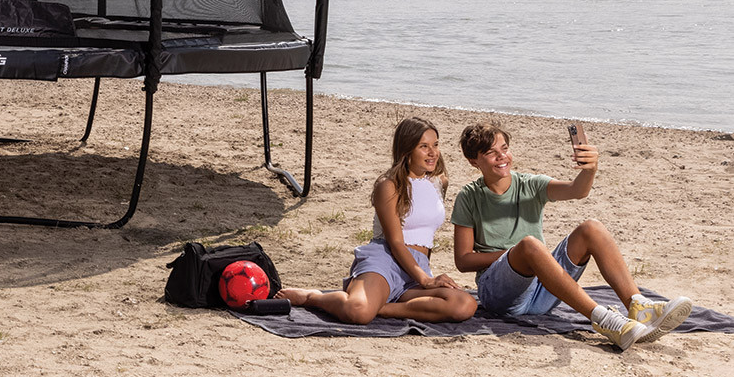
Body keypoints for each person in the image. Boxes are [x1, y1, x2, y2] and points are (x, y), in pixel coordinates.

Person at [451, 121, 693, 349]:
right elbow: (463, 260)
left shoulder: (530, 184)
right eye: (491, 153)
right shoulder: (469, 197)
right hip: (500, 295)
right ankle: (603, 319)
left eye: (504, 148)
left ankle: (638, 306)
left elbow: (577, 190)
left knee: (592, 228)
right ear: (474, 161)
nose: (502, 156)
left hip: (543, 291)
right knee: (530, 245)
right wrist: (516, 255)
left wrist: (590, 169)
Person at [281, 117, 478, 324]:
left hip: (417, 267)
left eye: (435, 145)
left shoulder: (439, 182)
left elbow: (425, 232)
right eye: (424, 146)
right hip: (386, 260)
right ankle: (313, 297)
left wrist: (423, 275)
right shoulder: (389, 185)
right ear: (407, 150)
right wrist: (426, 280)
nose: (433, 152)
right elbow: (396, 242)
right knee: (358, 312)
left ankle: (382, 307)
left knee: (463, 305)